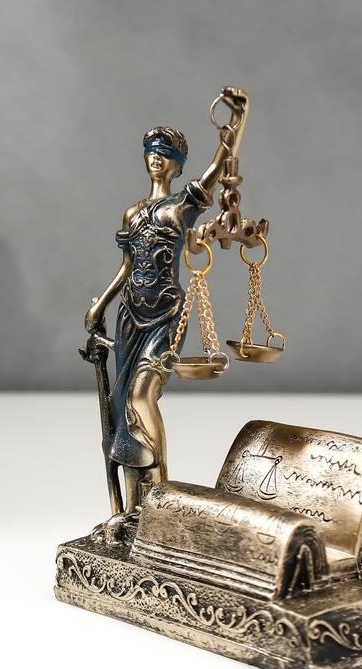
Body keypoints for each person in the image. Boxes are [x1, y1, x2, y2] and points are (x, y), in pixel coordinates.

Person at [83, 87, 249, 541]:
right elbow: (126, 267)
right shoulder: (133, 212)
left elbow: (215, 174)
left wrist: (235, 129)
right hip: (129, 316)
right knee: (122, 414)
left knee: (142, 398)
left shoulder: (181, 208)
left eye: (166, 154)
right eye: (151, 153)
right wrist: (101, 302)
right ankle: (132, 512)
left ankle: (159, 496)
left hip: (166, 316)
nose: (156, 159)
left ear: (177, 165)